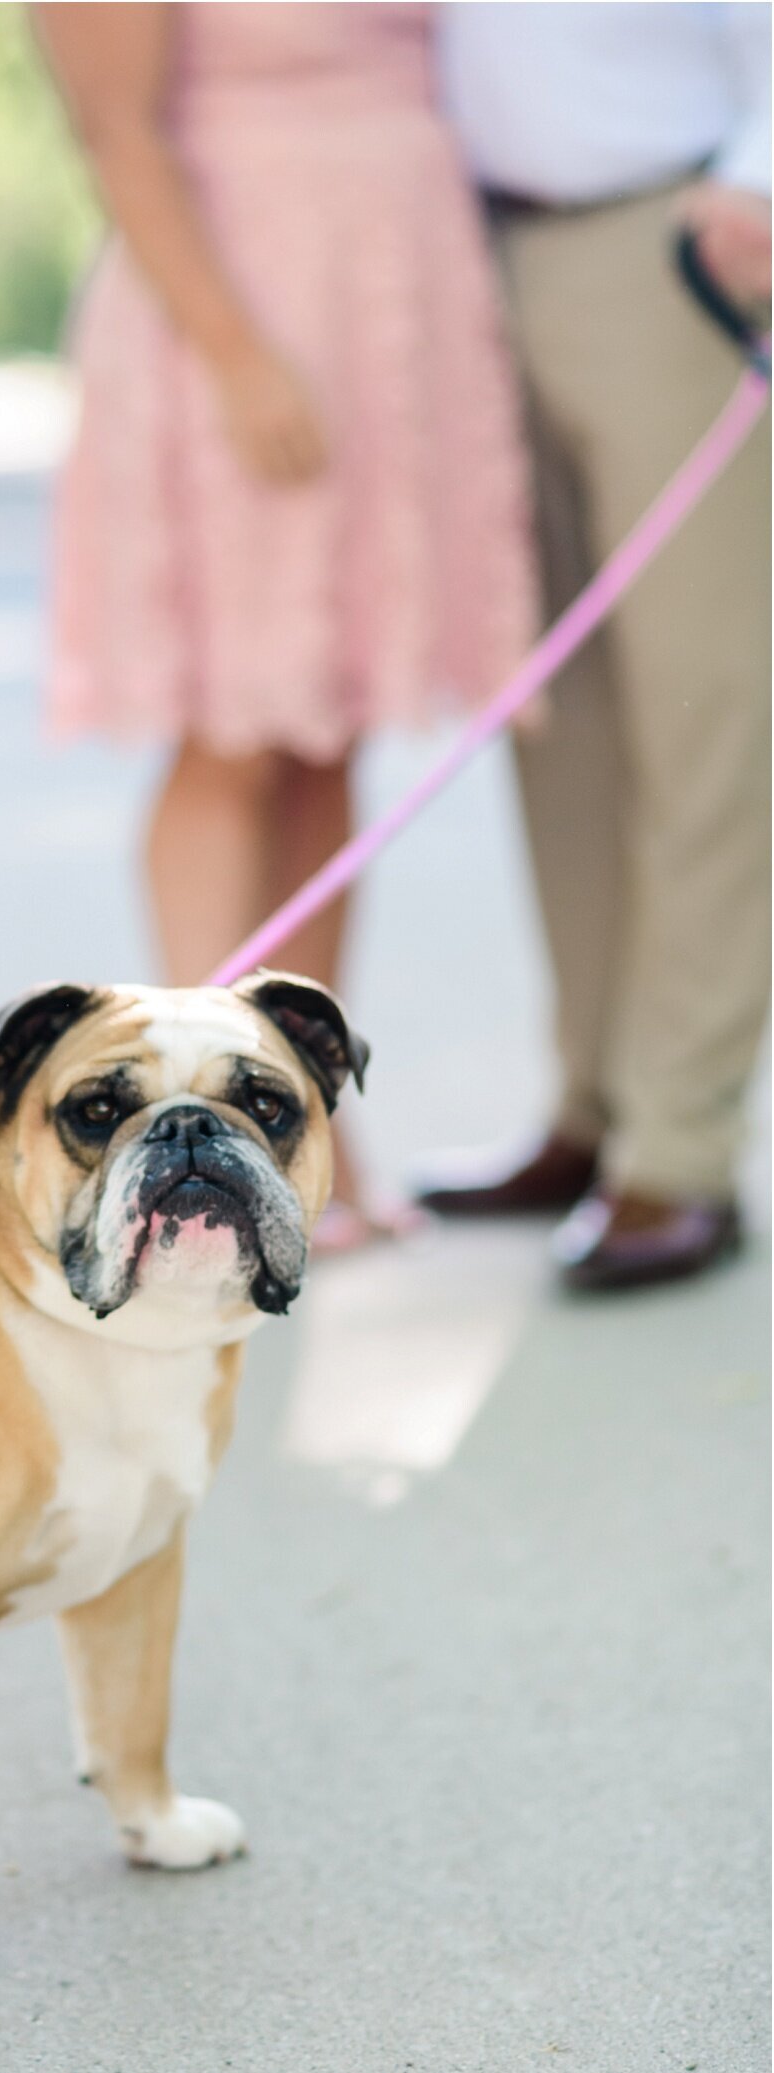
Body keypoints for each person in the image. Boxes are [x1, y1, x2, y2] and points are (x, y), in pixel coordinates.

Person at [34, 2, 535, 1248]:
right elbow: (112, 128)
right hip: (236, 313)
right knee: (235, 734)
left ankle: (306, 1122)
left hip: (385, 321)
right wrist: (238, 355)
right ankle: (205, 1143)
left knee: (323, 734)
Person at [419, 2, 772, 1291]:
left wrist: (760, 177)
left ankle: (678, 1153)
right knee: (554, 719)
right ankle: (586, 1109)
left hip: (665, 243)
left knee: (703, 712)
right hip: (470, 256)